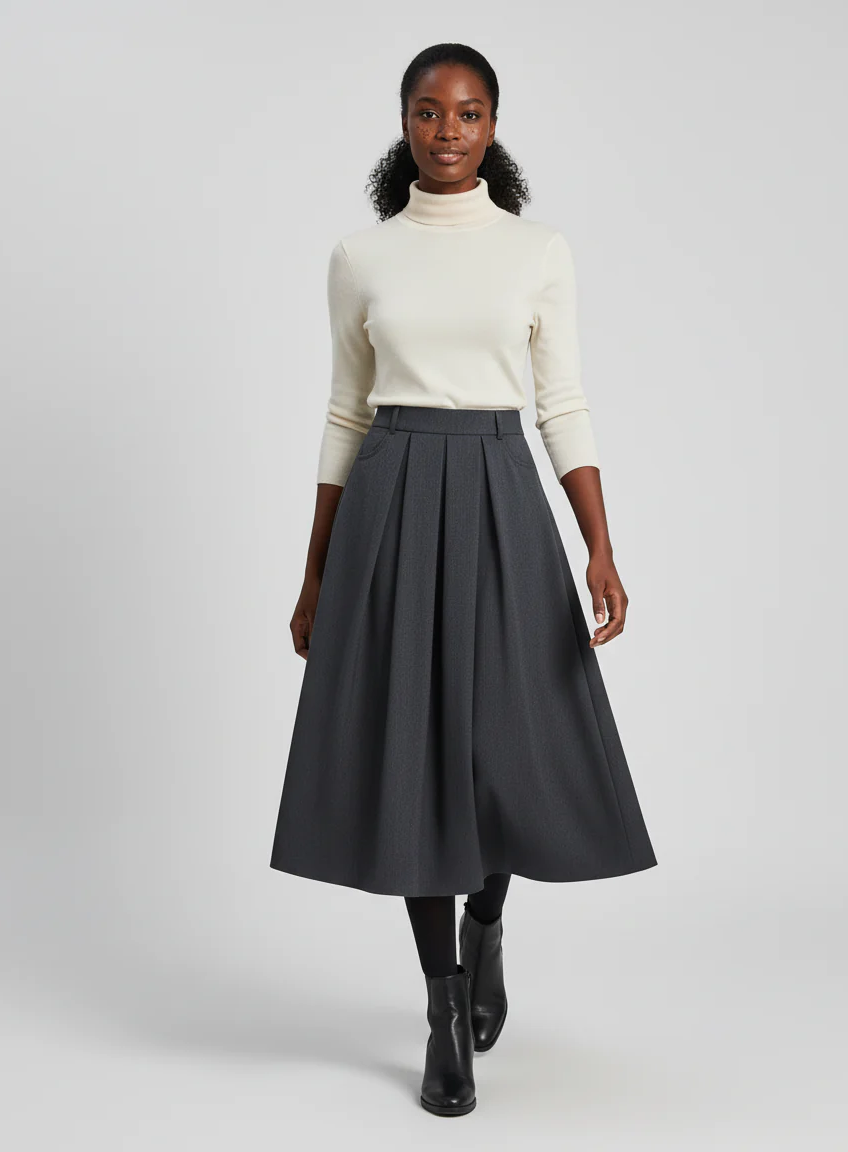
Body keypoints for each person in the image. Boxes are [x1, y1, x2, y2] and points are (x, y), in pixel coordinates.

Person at [270, 42, 657, 1117]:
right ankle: (442, 1006)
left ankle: (485, 925)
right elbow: (344, 413)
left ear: (493, 126)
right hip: (390, 501)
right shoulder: (361, 257)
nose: (448, 131)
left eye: (469, 112)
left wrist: (599, 545)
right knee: (415, 755)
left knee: (502, 748)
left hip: (498, 499)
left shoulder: (536, 252)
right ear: (404, 122)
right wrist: (314, 570)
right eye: (430, 112)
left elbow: (561, 403)